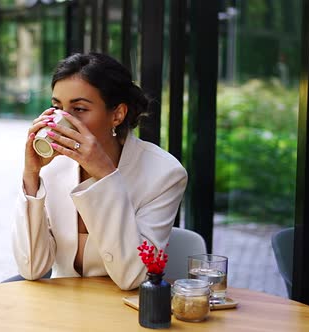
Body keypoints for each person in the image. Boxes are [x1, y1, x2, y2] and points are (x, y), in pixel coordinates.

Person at [10, 53, 187, 290]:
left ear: (117, 114)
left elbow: (133, 277)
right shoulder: (54, 166)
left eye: (79, 108)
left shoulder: (165, 174)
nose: (63, 119)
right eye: (56, 107)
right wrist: (31, 175)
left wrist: (105, 177)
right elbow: (32, 268)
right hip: (60, 309)